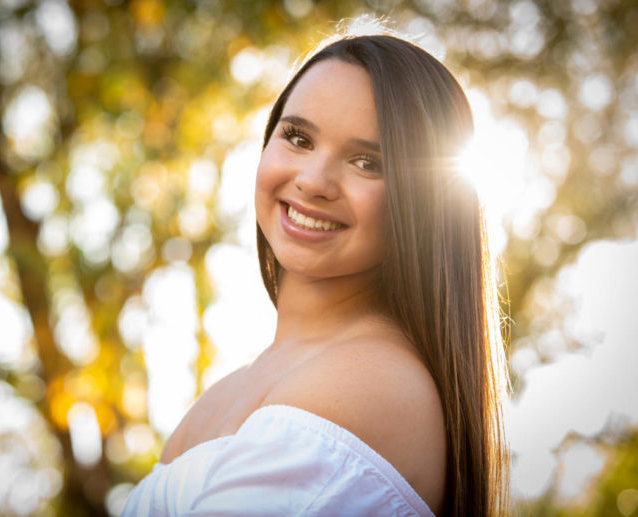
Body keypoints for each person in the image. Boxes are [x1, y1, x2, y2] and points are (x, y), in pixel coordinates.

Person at [122, 22, 509, 517]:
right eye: (299, 137)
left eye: (368, 162)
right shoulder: (228, 390)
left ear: (426, 202)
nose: (314, 181)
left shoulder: (372, 385)